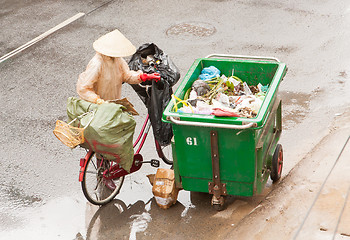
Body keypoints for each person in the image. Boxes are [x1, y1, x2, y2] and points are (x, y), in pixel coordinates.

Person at [76, 29, 160, 104]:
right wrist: (97, 100)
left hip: (111, 104)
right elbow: (83, 88)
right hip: (96, 108)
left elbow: (126, 76)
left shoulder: (117, 59)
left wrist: (143, 77)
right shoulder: (97, 63)